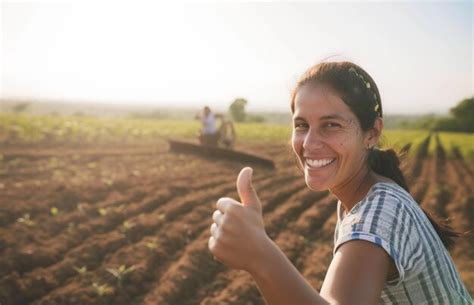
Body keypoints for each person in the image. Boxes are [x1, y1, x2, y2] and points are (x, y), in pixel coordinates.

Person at [208, 61, 472, 304]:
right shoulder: (359, 201)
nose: (309, 143)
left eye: (331, 125)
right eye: (301, 125)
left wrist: (260, 255)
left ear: (372, 133)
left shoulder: (378, 213)